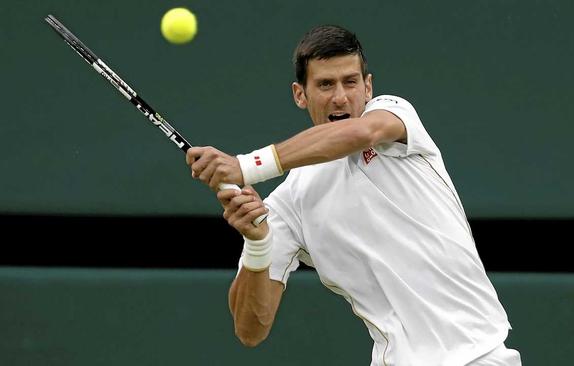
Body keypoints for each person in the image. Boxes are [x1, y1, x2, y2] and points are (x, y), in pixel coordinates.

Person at [186, 25, 521, 366]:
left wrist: (247, 166)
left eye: (350, 82)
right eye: (325, 85)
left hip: (478, 357)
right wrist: (258, 245)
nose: (341, 97)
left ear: (368, 86)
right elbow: (250, 329)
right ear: (300, 95)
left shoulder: (392, 116)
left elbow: (363, 131)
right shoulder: (288, 207)